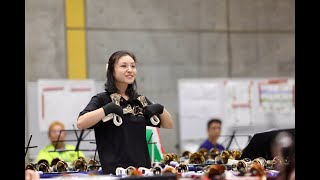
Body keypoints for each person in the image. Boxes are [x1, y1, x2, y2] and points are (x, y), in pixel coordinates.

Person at [77, 50, 174, 175]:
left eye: (133, 66)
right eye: (124, 66)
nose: (130, 69)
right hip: (115, 172)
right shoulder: (102, 99)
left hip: (142, 171)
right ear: (111, 71)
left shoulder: (139, 100)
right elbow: (81, 123)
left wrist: (160, 109)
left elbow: (169, 124)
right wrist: (107, 109)